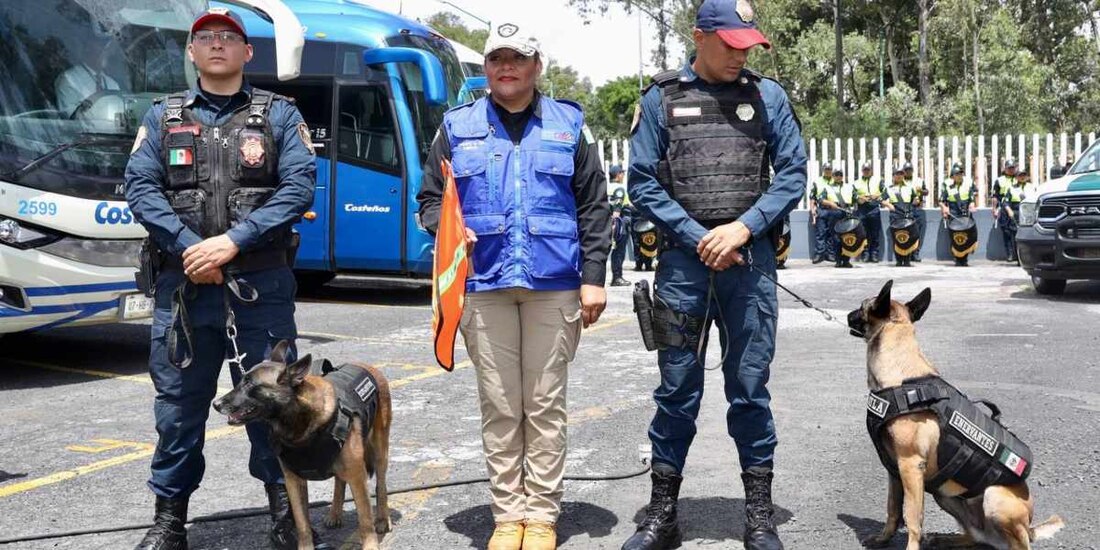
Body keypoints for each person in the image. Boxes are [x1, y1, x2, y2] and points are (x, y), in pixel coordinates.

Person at [124, 8, 318, 550]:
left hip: (261, 289)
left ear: (247, 52)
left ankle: (287, 515)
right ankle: (168, 522)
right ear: (191, 51)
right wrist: (192, 250)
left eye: (228, 38)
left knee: (276, 405)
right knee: (177, 410)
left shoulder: (279, 115)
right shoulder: (162, 117)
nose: (216, 45)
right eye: (205, 37)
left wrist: (234, 241)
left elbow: (299, 187)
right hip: (183, 291)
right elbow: (140, 188)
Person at [416, 22, 610, 550]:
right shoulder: (455, 128)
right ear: (486, 68)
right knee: (500, 404)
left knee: (544, 403)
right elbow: (429, 200)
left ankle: (542, 516)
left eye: (517, 58)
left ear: (536, 66)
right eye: (497, 58)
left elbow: (595, 206)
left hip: (555, 282)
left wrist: (594, 279)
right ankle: (508, 515)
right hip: (484, 281)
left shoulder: (570, 124)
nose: (506, 66)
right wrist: (449, 227)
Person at [624, 0, 805, 547]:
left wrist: (743, 228)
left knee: (749, 387)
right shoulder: (660, 99)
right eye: (730, 44)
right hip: (685, 265)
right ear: (700, 37)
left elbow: (792, 172)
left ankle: (758, 513)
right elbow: (641, 181)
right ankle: (662, 513)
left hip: (749, 265)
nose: (739, 56)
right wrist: (699, 235)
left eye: (747, 46)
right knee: (676, 389)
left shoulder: (768, 96)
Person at [55, 45, 123, 115]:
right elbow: (70, 117)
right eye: (100, 48)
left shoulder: (113, 84)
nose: (104, 53)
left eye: (106, 50)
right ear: (87, 51)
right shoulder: (69, 79)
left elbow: (120, 116)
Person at [817, 168, 860, 268]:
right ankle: (838, 260)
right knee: (836, 238)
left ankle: (846, 260)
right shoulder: (827, 188)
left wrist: (862, 199)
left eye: (840, 175)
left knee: (848, 237)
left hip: (847, 213)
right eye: (836, 175)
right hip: (834, 213)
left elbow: (856, 199)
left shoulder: (849, 187)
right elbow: (820, 199)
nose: (838, 177)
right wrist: (830, 203)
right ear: (833, 176)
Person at [939, 163, 979, 266]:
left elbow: (971, 199)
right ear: (952, 176)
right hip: (953, 214)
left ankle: (964, 259)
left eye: (961, 174)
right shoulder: (948, 187)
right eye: (957, 174)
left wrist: (972, 205)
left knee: (967, 235)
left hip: (965, 213)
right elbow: (941, 201)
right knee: (955, 236)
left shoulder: (967, 186)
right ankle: (957, 258)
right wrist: (945, 208)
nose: (959, 176)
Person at [882, 167, 917, 267]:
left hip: (907, 214)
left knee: (908, 238)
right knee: (897, 238)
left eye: (901, 174)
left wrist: (916, 201)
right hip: (895, 215)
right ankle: (899, 260)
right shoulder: (889, 188)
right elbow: (881, 199)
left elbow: (915, 199)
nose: (899, 176)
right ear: (893, 176)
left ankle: (907, 260)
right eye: (897, 174)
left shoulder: (909, 187)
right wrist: (888, 205)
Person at [995, 169, 1029, 263]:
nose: (1022, 177)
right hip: (1016, 213)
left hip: (1028, 214)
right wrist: (1009, 210)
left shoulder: (1031, 187)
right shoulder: (1012, 188)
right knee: (1015, 236)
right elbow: (1006, 202)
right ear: (1017, 177)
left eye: (1024, 175)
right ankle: (1018, 257)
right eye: (1020, 175)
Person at [853, 161, 884, 262]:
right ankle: (865, 253)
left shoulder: (878, 181)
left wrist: (877, 196)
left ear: (871, 170)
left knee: (875, 233)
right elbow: (851, 195)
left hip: (874, 208)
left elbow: (886, 192)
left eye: (868, 170)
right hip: (862, 209)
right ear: (862, 171)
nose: (866, 171)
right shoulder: (856, 183)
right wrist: (859, 198)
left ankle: (874, 253)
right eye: (864, 170)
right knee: (863, 233)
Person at [609, 165, 633, 286]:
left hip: (612, 223)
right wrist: (615, 225)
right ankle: (617, 278)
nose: (623, 175)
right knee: (619, 252)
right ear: (618, 175)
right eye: (622, 173)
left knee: (614, 251)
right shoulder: (619, 189)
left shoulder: (607, 187)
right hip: (620, 224)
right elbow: (617, 208)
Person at [904, 162, 928, 262]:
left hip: (917, 208)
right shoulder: (901, 181)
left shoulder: (919, 180)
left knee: (918, 232)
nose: (908, 172)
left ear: (912, 171)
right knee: (907, 232)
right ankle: (908, 253)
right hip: (906, 208)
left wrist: (921, 191)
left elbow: (926, 192)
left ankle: (916, 253)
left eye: (910, 170)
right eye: (906, 170)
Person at [810, 162, 833, 264]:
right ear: (823, 170)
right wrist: (813, 210)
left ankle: (830, 254)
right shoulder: (817, 182)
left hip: (833, 209)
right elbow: (812, 197)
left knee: (832, 233)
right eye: (826, 169)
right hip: (822, 209)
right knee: (820, 233)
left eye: (829, 169)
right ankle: (819, 254)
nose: (828, 171)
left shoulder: (835, 180)